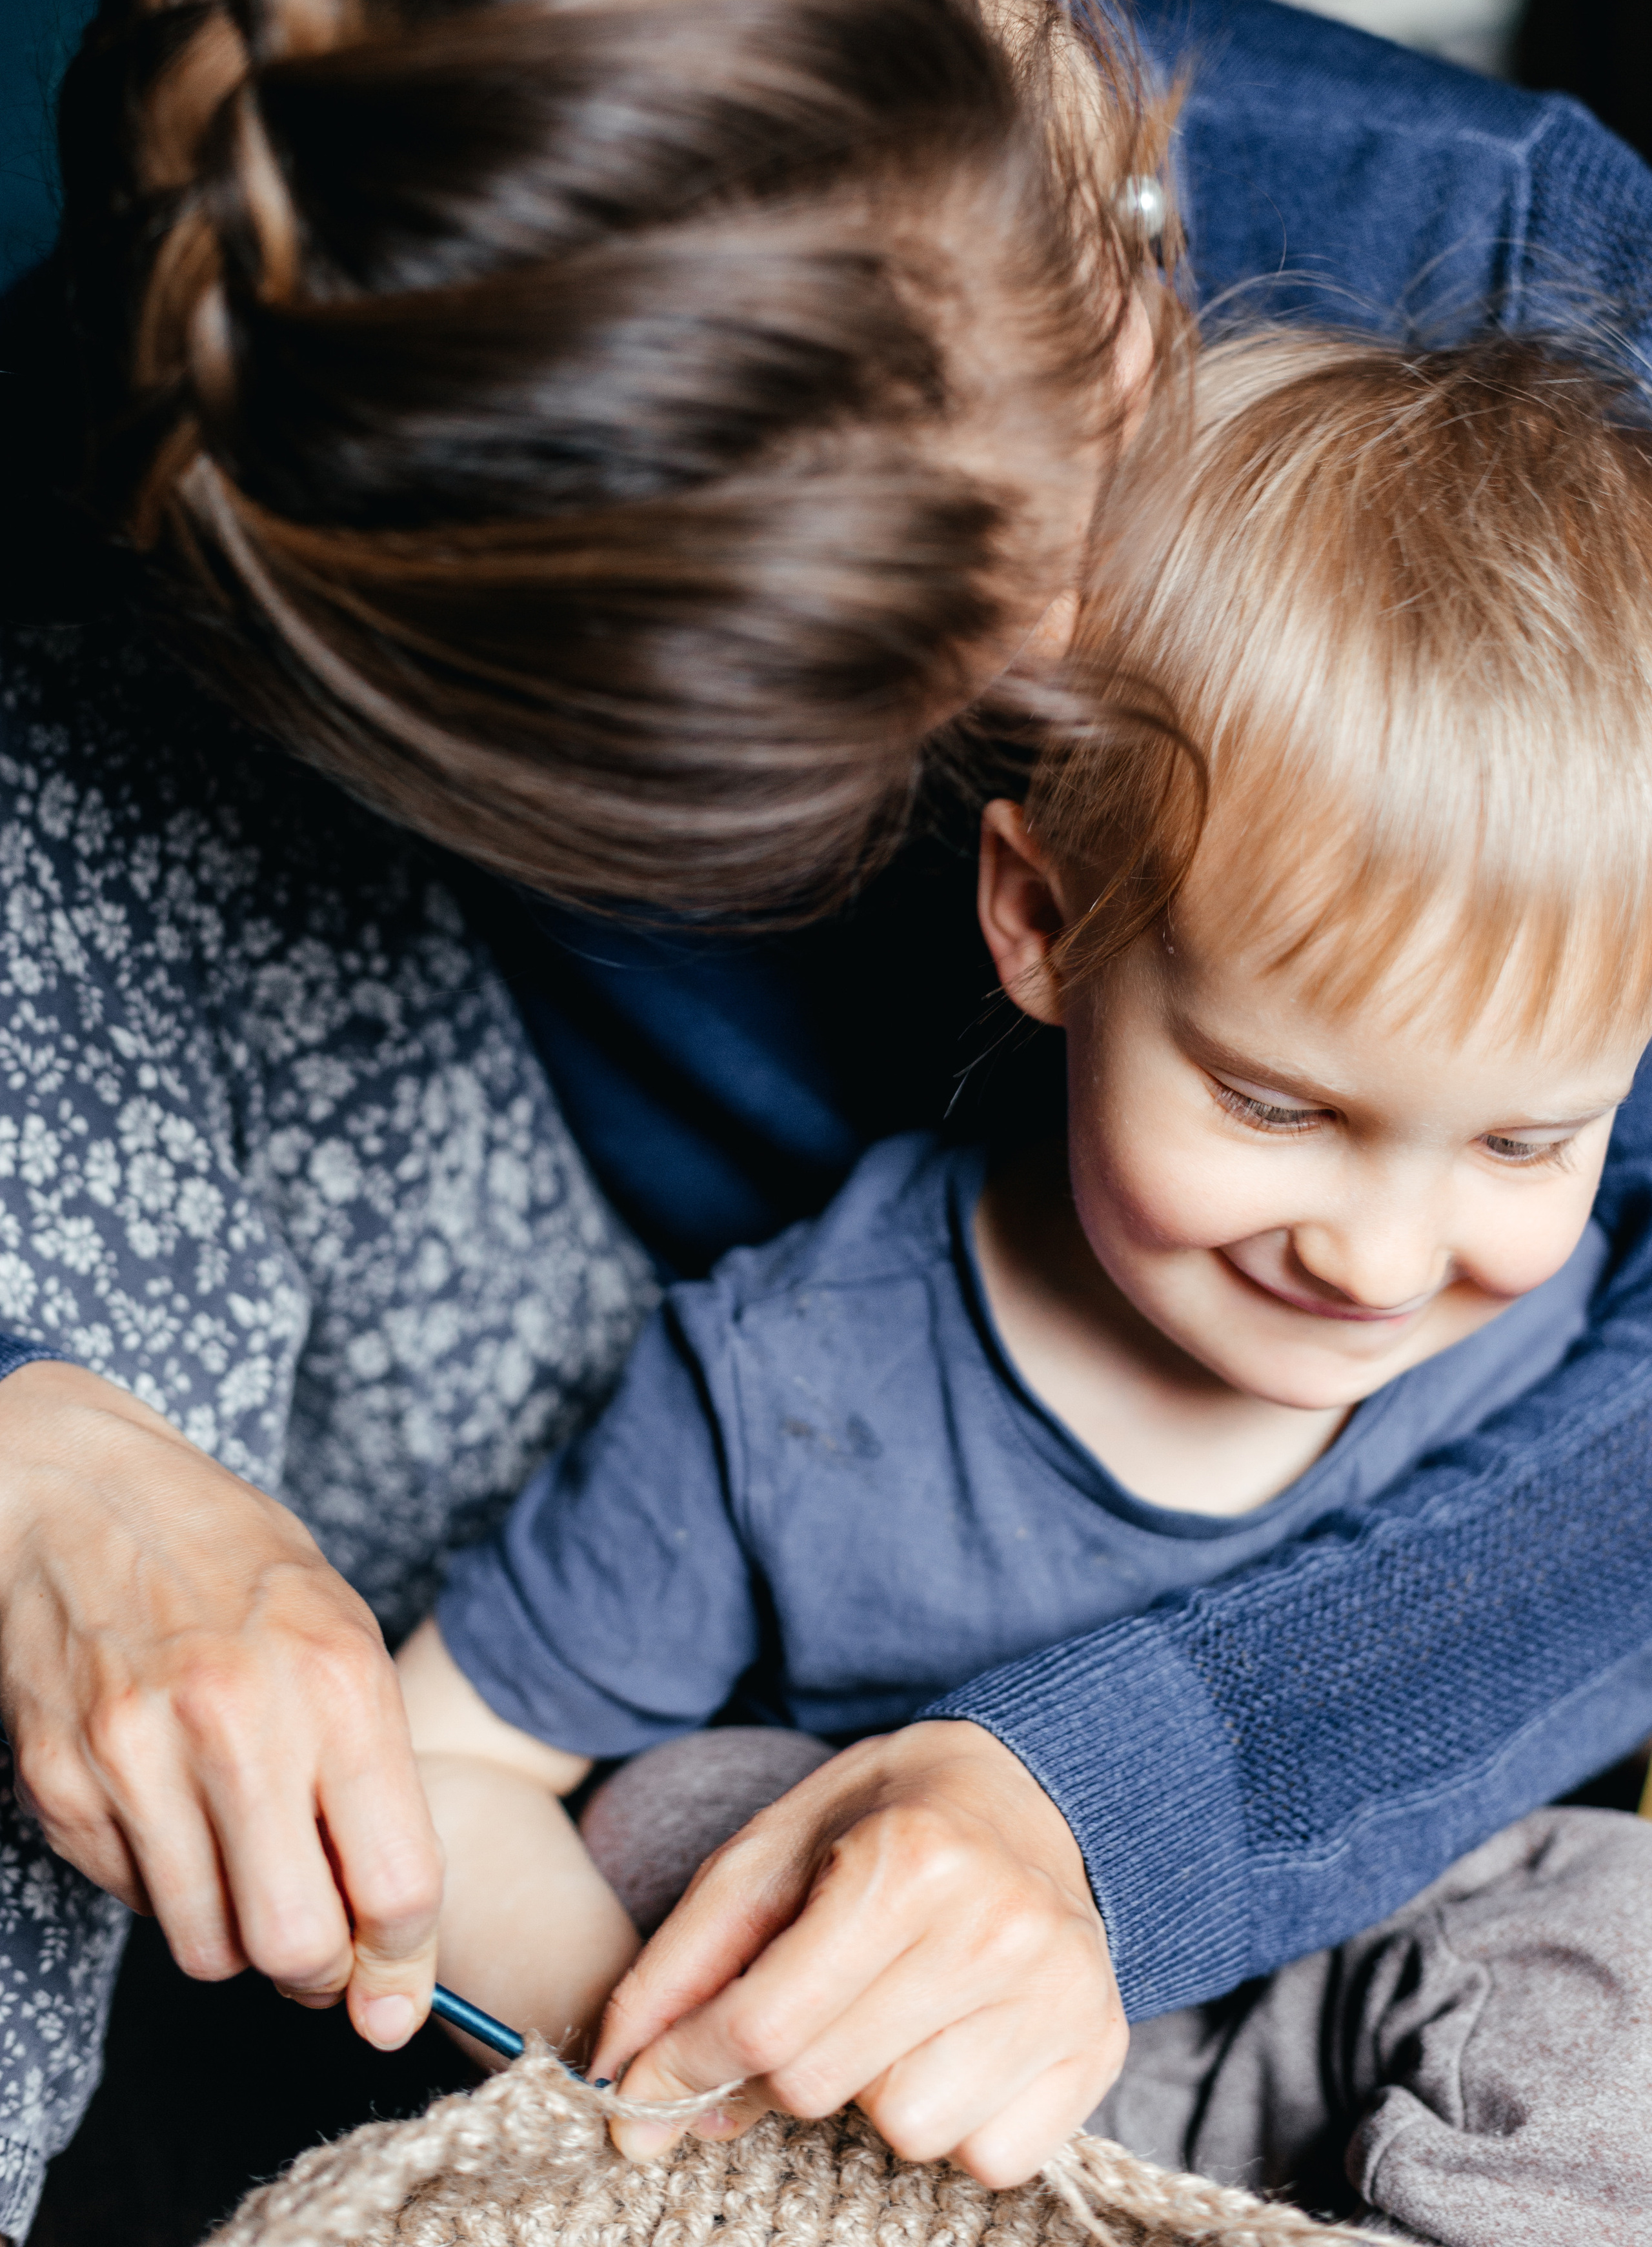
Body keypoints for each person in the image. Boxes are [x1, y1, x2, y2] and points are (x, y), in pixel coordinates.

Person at [1, 0, 1651, 2228]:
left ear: (1110, 198)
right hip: (647, 1567)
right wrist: (34, 1421)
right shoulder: (226, 441)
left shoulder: (1534, 294)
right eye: (849, 788)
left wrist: (1128, 1790)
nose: (1102, 722)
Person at [400, 332, 1652, 2243]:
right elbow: (450, 1758)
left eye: (1523, 1144)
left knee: (1616, 1944)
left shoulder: (1554, 1332)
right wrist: (655, 2090)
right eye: (1275, 1102)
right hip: (925, 2120)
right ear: (1045, 918)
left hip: (1376, 2024)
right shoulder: (786, 1383)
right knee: (697, 1820)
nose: (1387, 1260)